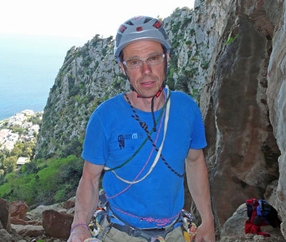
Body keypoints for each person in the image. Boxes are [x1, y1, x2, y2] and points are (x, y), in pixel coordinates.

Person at [67, 15, 215, 242]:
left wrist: (207, 220)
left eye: (153, 58)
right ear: (122, 67)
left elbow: (195, 162)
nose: (146, 71)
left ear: (167, 58)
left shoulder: (187, 109)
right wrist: (79, 226)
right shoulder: (105, 117)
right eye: (135, 62)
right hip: (119, 233)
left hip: (175, 232)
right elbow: (89, 178)